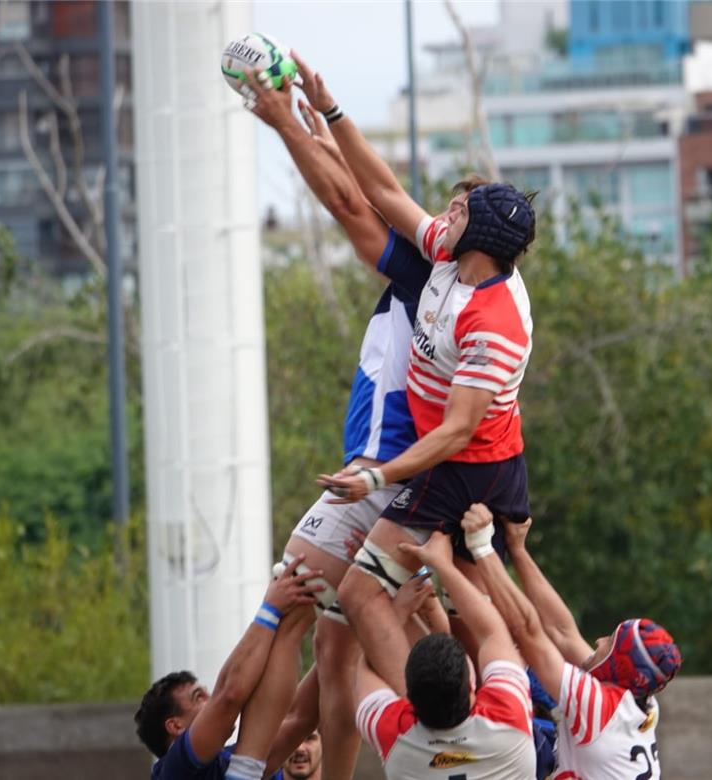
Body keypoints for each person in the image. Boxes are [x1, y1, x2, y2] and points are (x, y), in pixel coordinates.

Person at [288, 51, 540, 697]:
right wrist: (331, 109)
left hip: (468, 470)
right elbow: (380, 192)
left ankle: (438, 725)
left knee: (365, 596)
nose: (442, 214)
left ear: (477, 236)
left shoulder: (494, 322)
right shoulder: (453, 259)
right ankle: (474, 718)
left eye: (458, 211)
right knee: (454, 614)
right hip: (452, 461)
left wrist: (377, 475)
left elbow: (458, 432)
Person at [240, 67, 440, 780]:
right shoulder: (457, 278)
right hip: (383, 476)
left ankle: (455, 754)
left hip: (386, 481)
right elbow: (364, 193)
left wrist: (285, 123)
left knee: (298, 610)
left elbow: (352, 201)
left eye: (454, 206)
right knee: (329, 651)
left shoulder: (437, 276)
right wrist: (317, 126)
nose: (435, 214)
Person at [460, 504, 683, 780]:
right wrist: (517, 550)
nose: (599, 640)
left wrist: (481, 546)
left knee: (508, 683)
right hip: (583, 741)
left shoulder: (599, 707)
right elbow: (563, 633)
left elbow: (529, 631)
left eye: (610, 641)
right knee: (528, 671)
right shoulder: (638, 700)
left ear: (620, 666)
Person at [354, 530, 537, 779]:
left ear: (408, 696)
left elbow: (368, 664)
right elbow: (492, 632)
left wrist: (398, 610)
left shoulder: (394, 733)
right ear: (472, 685)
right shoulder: (508, 714)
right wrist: (442, 562)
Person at [134, 557, 325, 780]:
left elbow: (300, 719)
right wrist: (270, 609)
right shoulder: (174, 771)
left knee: (289, 632)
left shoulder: (229, 762)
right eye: (198, 697)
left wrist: (343, 632)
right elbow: (229, 694)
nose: (210, 697)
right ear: (175, 726)